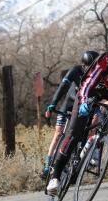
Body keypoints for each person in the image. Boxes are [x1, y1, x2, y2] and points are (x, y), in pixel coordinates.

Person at [46, 27, 108, 194]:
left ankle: (93, 147)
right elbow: (86, 84)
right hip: (89, 92)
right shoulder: (105, 60)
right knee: (74, 132)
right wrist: (84, 102)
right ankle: (55, 175)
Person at [42, 50, 99, 178]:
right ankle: (47, 165)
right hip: (68, 106)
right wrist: (53, 104)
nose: (92, 71)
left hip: (82, 108)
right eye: (89, 67)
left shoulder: (97, 75)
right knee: (58, 135)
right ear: (83, 65)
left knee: (85, 132)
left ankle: (79, 163)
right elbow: (62, 88)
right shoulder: (75, 70)